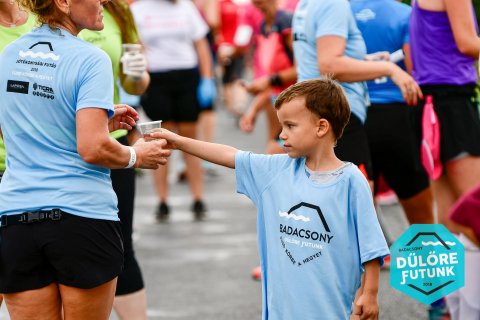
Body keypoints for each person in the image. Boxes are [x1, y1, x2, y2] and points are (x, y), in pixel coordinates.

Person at [148, 79, 390, 320]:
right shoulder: (275, 171)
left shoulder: (351, 181)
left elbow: (370, 247)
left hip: (334, 311)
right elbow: (230, 155)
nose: (281, 134)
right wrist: (178, 142)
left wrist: (369, 295)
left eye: (290, 126)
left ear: (321, 127)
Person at [0, 0, 169, 319]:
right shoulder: (91, 59)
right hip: (79, 218)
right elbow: (93, 149)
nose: (103, 1)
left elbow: (11, 130)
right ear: (63, 3)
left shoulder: (9, 55)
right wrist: (137, 155)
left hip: (16, 218)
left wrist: (89, 123)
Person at [292, 0, 422, 191]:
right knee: (357, 201)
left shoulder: (306, 3)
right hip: (337, 113)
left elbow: (314, 56)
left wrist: (366, 60)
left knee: (329, 201)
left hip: (313, 109)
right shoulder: (333, 4)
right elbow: (329, 66)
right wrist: (389, 69)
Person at [78, 1, 150, 319]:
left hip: (112, 143)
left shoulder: (118, 11)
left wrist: (136, 76)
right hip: (53, 149)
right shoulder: (42, 11)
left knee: (121, 248)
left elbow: (135, 81)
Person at [131, 0, 216, 221]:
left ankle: (198, 198)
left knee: (190, 138)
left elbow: (201, 44)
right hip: (156, 79)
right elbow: (134, 46)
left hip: (187, 76)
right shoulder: (138, 10)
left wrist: (207, 78)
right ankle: (162, 200)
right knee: (160, 139)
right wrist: (135, 80)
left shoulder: (185, 7)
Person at [350, 0, 434, 224]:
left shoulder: (343, 11)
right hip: (397, 119)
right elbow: (415, 67)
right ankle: (426, 257)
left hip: (355, 118)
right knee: (423, 223)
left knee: (359, 218)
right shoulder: (406, 13)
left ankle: (370, 259)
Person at [409, 0, 480, 232]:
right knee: (473, 208)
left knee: (450, 218)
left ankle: (455, 270)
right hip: (451, 103)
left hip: (430, 103)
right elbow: (468, 44)